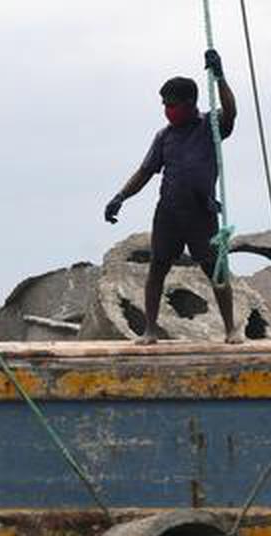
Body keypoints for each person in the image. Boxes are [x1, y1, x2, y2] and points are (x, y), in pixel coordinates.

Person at [104, 49, 239, 345]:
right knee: (157, 269)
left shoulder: (209, 126)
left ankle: (231, 329)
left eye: (172, 104)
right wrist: (120, 197)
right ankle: (149, 330)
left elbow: (231, 112)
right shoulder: (164, 136)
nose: (167, 109)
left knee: (216, 270)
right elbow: (144, 172)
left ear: (190, 104)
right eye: (164, 105)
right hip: (169, 213)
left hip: (200, 213)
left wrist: (219, 77)